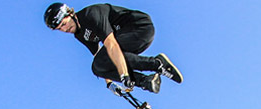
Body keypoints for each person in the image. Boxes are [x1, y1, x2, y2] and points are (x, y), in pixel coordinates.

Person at [44, 3, 182, 94]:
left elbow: (111, 44)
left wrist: (123, 75)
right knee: (97, 68)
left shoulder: (90, 15)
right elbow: (99, 57)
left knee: (107, 57)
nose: (64, 29)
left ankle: (157, 63)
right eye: (59, 29)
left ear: (70, 14)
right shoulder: (79, 35)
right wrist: (110, 84)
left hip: (140, 27)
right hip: (126, 41)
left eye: (64, 24)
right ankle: (145, 81)